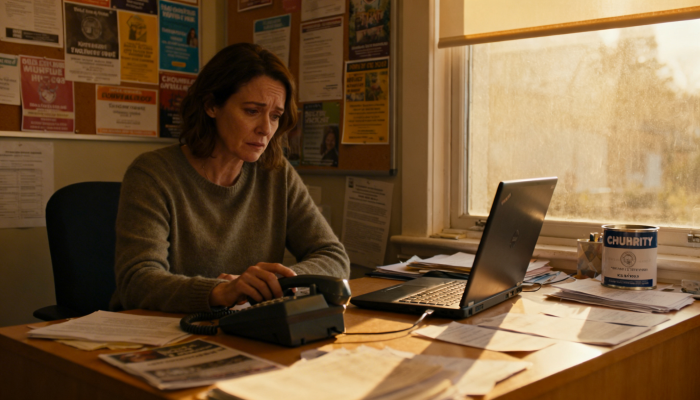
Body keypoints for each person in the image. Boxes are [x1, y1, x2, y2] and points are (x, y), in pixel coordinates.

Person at [110, 43, 350, 314]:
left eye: (275, 116)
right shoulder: (153, 174)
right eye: (251, 111)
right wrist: (221, 291)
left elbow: (333, 256)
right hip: (157, 333)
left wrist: (276, 282)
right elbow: (137, 281)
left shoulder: (275, 172)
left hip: (244, 329)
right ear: (212, 105)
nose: (265, 129)